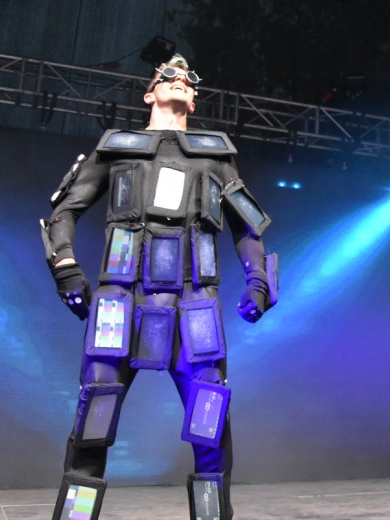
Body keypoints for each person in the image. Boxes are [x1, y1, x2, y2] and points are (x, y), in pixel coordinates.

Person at [40, 54, 276, 520]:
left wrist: (259, 281)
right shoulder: (118, 148)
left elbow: (247, 226)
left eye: (189, 78)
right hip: (120, 303)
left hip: (195, 306)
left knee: (210, 428)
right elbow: (65, 211)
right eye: (168, 75)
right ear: (150, 93)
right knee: (93, 425)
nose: (181, 77)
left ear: (195, 99)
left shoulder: (215, 156)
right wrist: (65, 266)